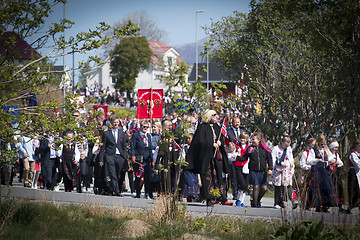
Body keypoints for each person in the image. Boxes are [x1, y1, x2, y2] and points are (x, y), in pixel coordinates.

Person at [186, 109, 232, 206]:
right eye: (214, 115)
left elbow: (220, 137)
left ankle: (220, 197)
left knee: (219, 175)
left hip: (217, 156)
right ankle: (209, 197)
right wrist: (211, 144)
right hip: (206, 157)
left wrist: (220, 143)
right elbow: (200, 142)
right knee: (208, 177)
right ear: (209, 116)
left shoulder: (216, 126)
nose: (216, 117)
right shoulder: (202, 127)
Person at [236, 132, 272, 208]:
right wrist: (236, 157)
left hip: (262, 172)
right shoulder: (250, 149)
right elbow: (244, 158)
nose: (252, 141)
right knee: (255, 187)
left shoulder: (265, 149)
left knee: (264, 188)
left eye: (253, 139)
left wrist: (270, 168)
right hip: (253, 171)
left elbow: (269, 159)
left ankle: (257, 200)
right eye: (252, 139)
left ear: (259, 140)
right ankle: (255, 205)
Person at [269, 135, 298, 209]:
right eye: (285, 145)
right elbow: (273, 159)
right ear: (281, 142)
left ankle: (293, 201)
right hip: (278, 170)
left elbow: (290, 157)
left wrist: (292, 164)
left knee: (288, 185)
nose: (286, 147)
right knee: (278, 187)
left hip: (286, 170)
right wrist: (280, 163)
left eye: (287, 146)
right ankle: (277, 202)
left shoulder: (289, 149)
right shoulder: (275, 149)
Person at [311, 134, 335, 213]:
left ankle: (325, 206)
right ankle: (318, 206)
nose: (323, 145)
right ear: (318, 143)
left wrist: (332, 161)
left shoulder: (326, 150)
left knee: (327, 187)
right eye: (322, 144)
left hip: (325, 171)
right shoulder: (314, 150)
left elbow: (331, 158)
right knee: (318, 188)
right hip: (317, 170)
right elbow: (309, 161)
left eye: (324, 144)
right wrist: (317, 160)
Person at [130, 120, 153, 199]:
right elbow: (132, 146)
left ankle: (147, 193)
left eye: (147, 127)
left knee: (147, 177)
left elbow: (150, 148)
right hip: (138, 158)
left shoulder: (149, 136)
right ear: (140, 126)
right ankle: (138, 192)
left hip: (146, 159)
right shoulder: (136, 135)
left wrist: (152, 159)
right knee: (138, 176)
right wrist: (133, 155)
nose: (145, 128)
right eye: (144, 127)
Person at [328, 139, 346, 213]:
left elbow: (341, 163)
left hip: (335, 173)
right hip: (329, 173)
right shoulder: (328, 153)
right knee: (330, 188)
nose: (336, 149)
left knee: (339, 187)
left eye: (337, 147)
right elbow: (328, 161)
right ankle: (327, 205)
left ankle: (340, 206)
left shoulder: (336, 154)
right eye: (335, 147)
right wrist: (332, 162)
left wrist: (336, 162)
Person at [299, 138, 317, 210]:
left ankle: (311, 203)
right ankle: (303, 203)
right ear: (309, 144)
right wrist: (310, 167)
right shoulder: (305, 153)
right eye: (312, 144)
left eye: (315, 144)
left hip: (315, 172)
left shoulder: (316, 152)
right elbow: (302, 164)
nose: (313, 146)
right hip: (307, 172)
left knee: (312, 188)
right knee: (305, 188)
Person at [233, 132, 250, 207]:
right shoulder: (236, 146)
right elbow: (232, 155)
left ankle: (241, 201)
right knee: (241, 184)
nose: (242, 140)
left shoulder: (248, 148)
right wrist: (236, 154)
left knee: (245, 186)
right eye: (241, 138)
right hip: (238, 166)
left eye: (244, 138)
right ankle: (238, 200)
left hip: (246, 167)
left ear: (246, 140)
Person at [182, 133, 199, 202]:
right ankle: (190, 194)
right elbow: (182, 156)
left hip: (194, 167)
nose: (187, 140)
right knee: (188, 181)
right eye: (187, 138)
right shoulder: (185, 148)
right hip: (187, 167)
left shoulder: (196, 148)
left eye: (189, 138)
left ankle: (194, 194)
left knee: (194, 180)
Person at [348, 139, 360, 213]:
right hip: (353, 173)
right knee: (353, 190)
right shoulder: (353, 154)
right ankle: (351, 205)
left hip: (358, 173)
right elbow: (357, 164)